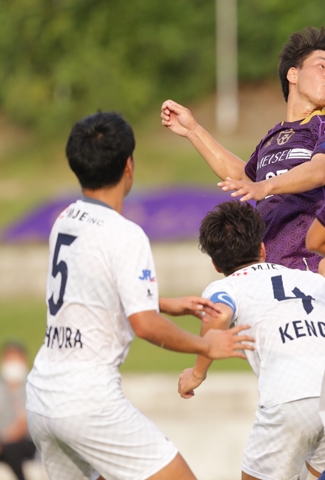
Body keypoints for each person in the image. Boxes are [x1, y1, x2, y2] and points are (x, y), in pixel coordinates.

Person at [25, 111, 254, 480]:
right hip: (89, 402)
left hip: (42, 398)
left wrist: (161, 301)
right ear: (128, 166)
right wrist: (206, 347)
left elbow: (89, 288)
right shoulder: (125, 234)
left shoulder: (65, 218)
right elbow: (145, 326)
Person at [160, 27, 325, 283]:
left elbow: (319, 171)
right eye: (322, 66)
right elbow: (243, 176)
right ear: (293, 74)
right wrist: (193, 130)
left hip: (318, 265)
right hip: (273, 265)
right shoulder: (272, 137)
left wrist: (265, 187)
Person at [177, 201, 325, 480]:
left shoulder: (225, 286)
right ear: (263, 249)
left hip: (289, 398)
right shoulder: (312, 281)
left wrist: (196, 374)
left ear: (217, 265)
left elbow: (217, 317)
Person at [0, 341, 36, 480]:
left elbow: (23, 422)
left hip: (25, 441)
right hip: (3, 441)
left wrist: (3, 441)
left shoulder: (32, 387)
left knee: (11, 450)